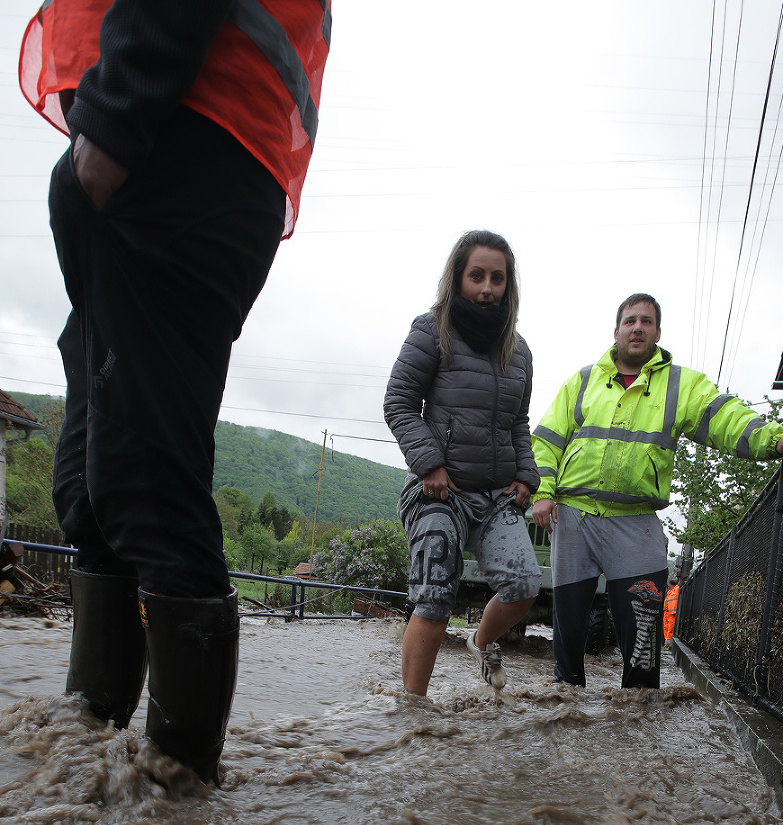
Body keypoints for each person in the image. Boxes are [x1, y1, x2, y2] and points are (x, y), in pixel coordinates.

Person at [18, 0, 331, 783]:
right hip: (168, 138)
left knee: (143, 486)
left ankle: (178, 798)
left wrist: (117, 117)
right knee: (90, 492)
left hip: (177, 134)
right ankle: (84, 761)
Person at [532, 293, 783, 689]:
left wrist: (772, 440)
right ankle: (565, 709)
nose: (637, 327)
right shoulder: (584, 380)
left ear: (658, 332)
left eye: (646, 321)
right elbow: (547, 441)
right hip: (574, 515)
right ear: (616, 331)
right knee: (568, 632)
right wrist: (543, 492)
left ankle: (638, 716)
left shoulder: (680, 384)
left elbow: (723, 415)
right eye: (629, 321)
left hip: (636, 522)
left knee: (643, 640)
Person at [384, 230, 542, 696]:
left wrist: (526, 474)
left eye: (498, 278)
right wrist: (429, 464)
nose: (487, 287)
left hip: (495, 497)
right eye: (477, 276)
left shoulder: (520, 351)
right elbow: (399, 401)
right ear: (458, 278)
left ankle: (480, 640)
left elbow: (520, 421)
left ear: (508, 286)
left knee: (523, 586)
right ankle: (412, 712)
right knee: (434, 596)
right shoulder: (431, 330)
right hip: (440, 490)